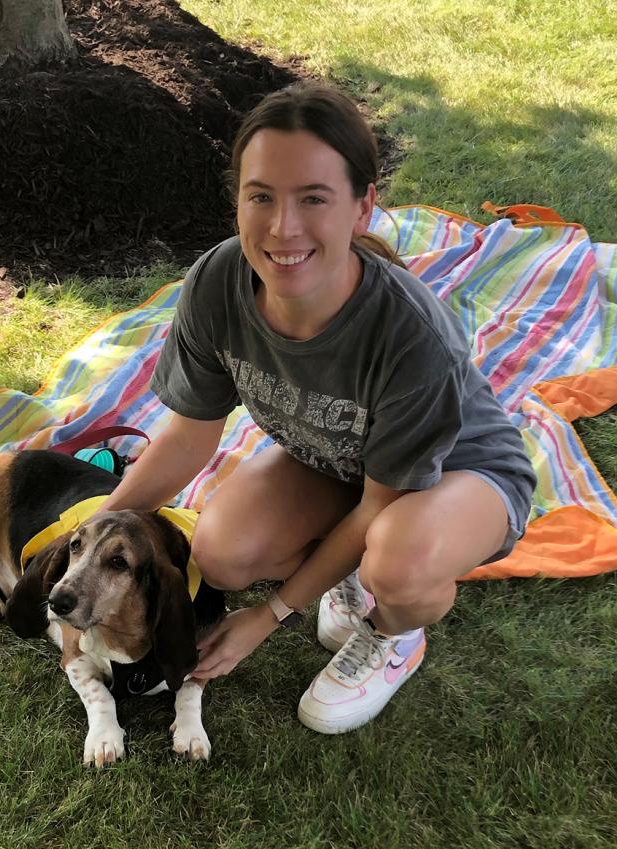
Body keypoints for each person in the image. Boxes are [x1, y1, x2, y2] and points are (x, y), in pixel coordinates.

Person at [97, 82, 536, 734]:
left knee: (399, 556)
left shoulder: (410, 334)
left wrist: (268, 614)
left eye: (313, 199)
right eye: (261, 196)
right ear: (237, 199)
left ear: (363, 208)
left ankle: (394, 631)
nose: (283, 227)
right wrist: (94, 532)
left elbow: (382, 504)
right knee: (221, 553)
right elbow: (189, 438)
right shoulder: (217, 283)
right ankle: (349, 573)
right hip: (342, 467)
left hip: (461, 475)